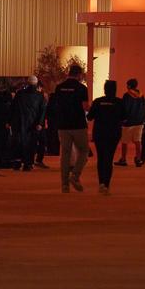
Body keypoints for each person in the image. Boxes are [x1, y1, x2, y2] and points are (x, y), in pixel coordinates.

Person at [53, 63, 90, 193]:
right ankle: (75, 175)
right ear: (79, 74)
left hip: (63, 125)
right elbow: (85, 107)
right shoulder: (81, 88)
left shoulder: (59, 88)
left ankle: (64, 185)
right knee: (84, 151)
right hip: (78, 124)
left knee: (65, 154)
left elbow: (55, 106)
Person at [86, 80, 123, 194]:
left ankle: (101, 183)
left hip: (99, 134)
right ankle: (106, 183)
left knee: (101, 158)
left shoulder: (98, 102)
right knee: (109, 158)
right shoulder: (119, 102)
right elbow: (124, 117)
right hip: (113, 134)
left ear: (104, 89)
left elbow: (90, 117)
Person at [10, 76, 46, 172]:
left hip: (20, 123)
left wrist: (10, 121)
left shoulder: (20, 94)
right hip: (33, 124)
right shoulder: (40, 96)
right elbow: (42, 111)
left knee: (19, 142)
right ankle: (28, 164)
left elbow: (13, 108)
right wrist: (40, 123)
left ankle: (17, 162)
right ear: (36, 83)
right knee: (31, 144)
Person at [117, 78, 145, 168]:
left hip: (129, 122)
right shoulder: (141, 95)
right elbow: (143, 108)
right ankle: (138, 159)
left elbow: (124, 108)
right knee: (138, 141)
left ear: (129, 85)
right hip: (139, 121)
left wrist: (123, 119)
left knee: (125, 141)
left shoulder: (127, 95)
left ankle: (123, 159)